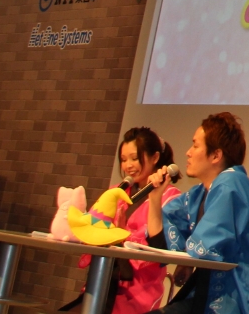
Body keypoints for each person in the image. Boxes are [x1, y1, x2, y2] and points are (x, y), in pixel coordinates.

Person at [145, 113, 249, 314]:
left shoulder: (231, 185)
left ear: (216, 155)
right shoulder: (198, 194)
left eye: (195, 145)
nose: (188, 153)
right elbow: (160, 246)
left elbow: (203, 249)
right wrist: (155, 198)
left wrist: (187, 259)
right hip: (208, 296)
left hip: (237, 299)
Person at [66, 128, 181, 314]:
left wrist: (121, 235)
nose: (128, 165)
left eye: (134, 158)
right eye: (123, 159)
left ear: (155, 157)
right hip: (104, 280)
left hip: (139, 290)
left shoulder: (170, 198)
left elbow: (157, 248)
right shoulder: (117, 191)